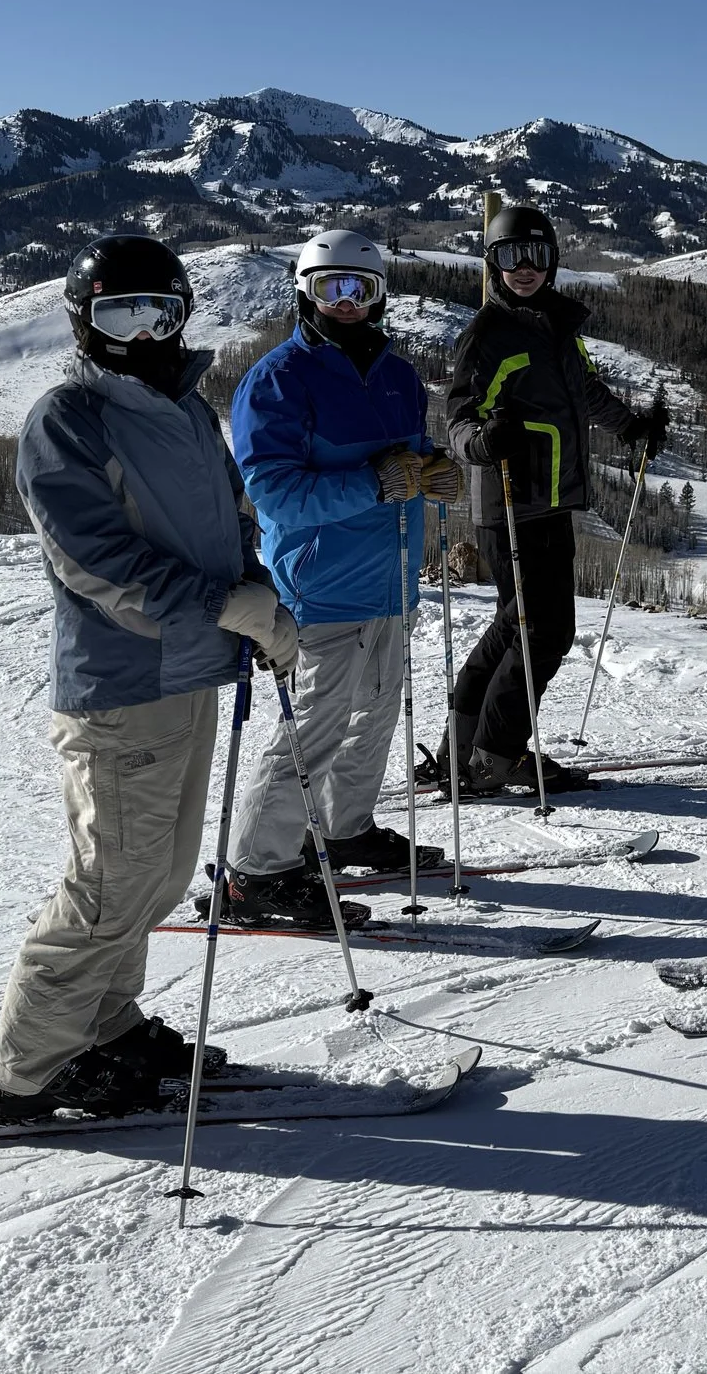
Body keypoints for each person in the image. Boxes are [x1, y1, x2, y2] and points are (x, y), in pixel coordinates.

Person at [0, 236, 301, 1127]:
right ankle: (29, 1066)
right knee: (108, 888)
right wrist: (226, 604)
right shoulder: (67, 419)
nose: (141, 332)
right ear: (83, 322)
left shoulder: (186, 409)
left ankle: (104, 1026)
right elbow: (99, 563)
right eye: (118, 313)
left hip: (187, 676)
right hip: (121, 685)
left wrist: (253, 592)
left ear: (182, 315)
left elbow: (223, 525)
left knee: (158, 879)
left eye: (159, 313)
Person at [205, 229, 463, 928]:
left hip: (391, 582)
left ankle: (343, 827)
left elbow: (408, 460)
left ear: (380, 297)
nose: (346, 303)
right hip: (317, 591)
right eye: (330, 288)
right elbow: (276, 493)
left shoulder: (400, 376)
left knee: (374, 717)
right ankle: (254, 870)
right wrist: (375, 484)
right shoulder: (278, 380)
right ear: (304, 292)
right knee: (311, 733)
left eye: (361, 289)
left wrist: (435, 469)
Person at [436, 205, 669, 795]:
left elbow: (583, 389)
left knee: (516, 625)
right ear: (494, 264)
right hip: (513, 503)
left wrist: (630, 427)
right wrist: (486, 443)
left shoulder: (554, 326)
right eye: (511, 257)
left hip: (549, 500)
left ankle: (462, 749)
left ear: (552, 263)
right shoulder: (487, 335)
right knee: (545, 632)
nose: (524, 269)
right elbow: (457, 422)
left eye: (535, 256)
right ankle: (497, 755)